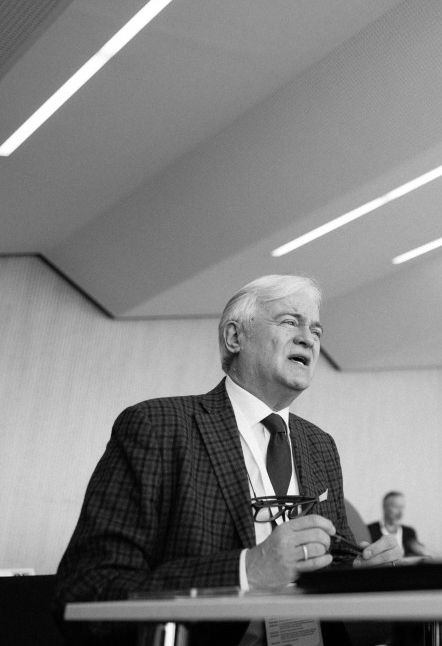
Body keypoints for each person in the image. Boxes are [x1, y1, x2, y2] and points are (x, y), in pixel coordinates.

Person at [53, 274, 402, 646]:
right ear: (235, 337)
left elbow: (335, 555)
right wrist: (246, 571)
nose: (308, 339)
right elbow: (88, 588)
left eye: (316, 330)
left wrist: (361, 569)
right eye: (289, 322)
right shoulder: (157, 427)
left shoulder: (320, 445)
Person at [367, 491, 428, 557]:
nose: (400, 512)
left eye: (402, 507)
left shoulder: (409, 532)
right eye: (396, 507)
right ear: (385, 507)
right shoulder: (369, 530)